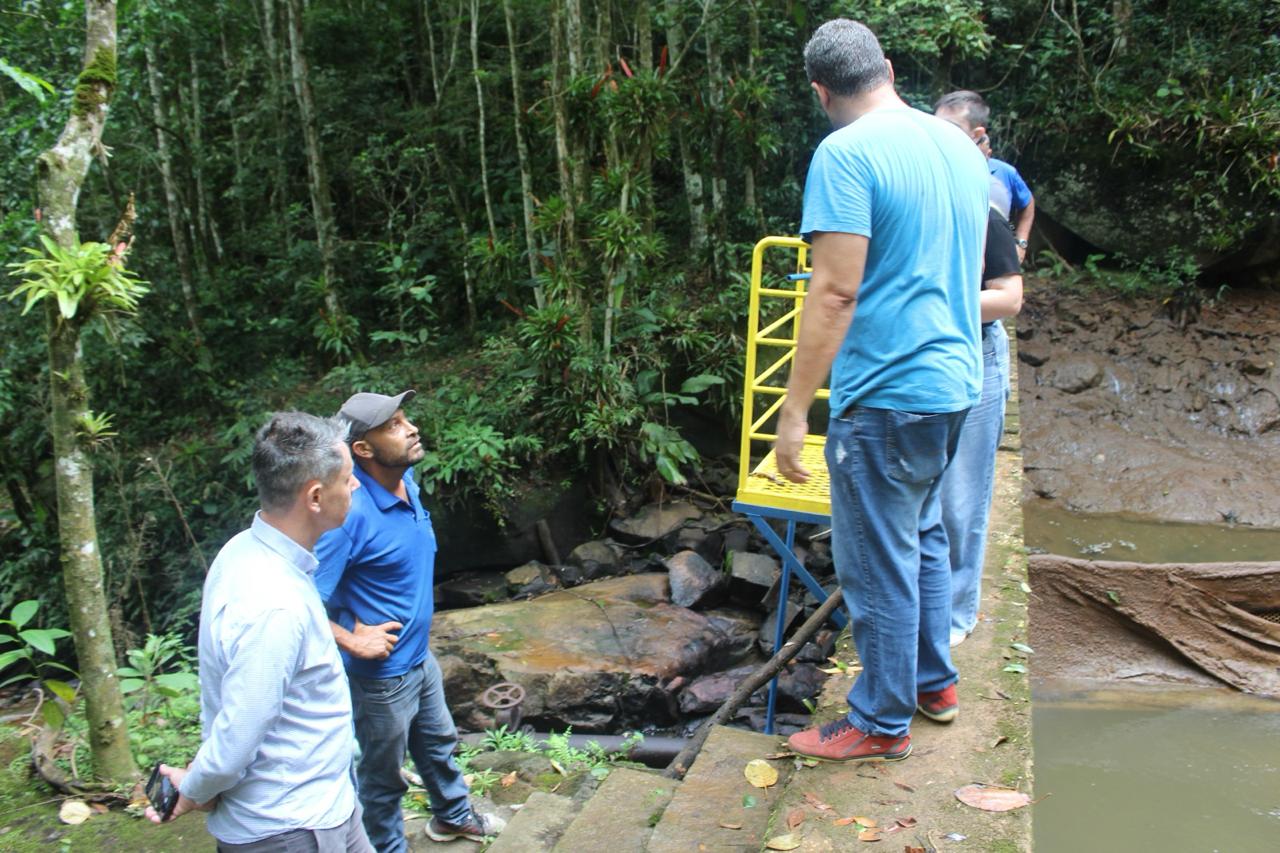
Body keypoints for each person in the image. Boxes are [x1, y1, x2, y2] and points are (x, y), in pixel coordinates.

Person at [773, 19, 989, 763]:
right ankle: (935, 683)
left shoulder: (845, 153)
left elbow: (834, 292)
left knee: (877, 559)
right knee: (924, 536)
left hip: (890, 391)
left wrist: (795, 408)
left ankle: (879, 721)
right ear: (888, 68)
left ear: (820, 90)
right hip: (957, 383)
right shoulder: (956, 143)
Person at [147, 412, 373, 853]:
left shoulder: (245, 551)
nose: (356, 486)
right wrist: (193, 790)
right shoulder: (273, 603)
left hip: (329, 804)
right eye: (347, 478)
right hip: (291, 828)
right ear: (314, 496)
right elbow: (238, 734)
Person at [314, 391, 503, 851]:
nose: (411, 428)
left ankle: (453, 818)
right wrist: (351, 641)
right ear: (362, 449)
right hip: (379, 677)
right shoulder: (349, 513)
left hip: (418, 657)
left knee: (439, 744)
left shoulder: (406, 478)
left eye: (405, 418)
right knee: (382, 781)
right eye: (394, 425)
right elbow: (297, 599)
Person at [935, 97, 1025, 648]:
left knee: (963, 495)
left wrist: (934, 301)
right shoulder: (921, 208)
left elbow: (1009, 300)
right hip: (930, 356)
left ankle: (955, 617)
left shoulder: (983, 209)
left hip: (977, 352)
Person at [934, 90, 1036, 262]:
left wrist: (1021, 243)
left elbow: (1028, 203)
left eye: (952, 127)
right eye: (936, 125)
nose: (940, 133)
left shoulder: (1003, 174)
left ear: (977, 134)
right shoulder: (929, 169)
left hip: (994, 263)